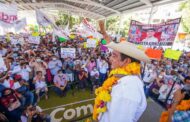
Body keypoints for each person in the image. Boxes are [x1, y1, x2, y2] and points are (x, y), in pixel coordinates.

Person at [93, 41, 150, 122]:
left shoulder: (127, 89)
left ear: (126, 61)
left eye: (114, 56)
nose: (110, 58)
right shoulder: (125, 77)